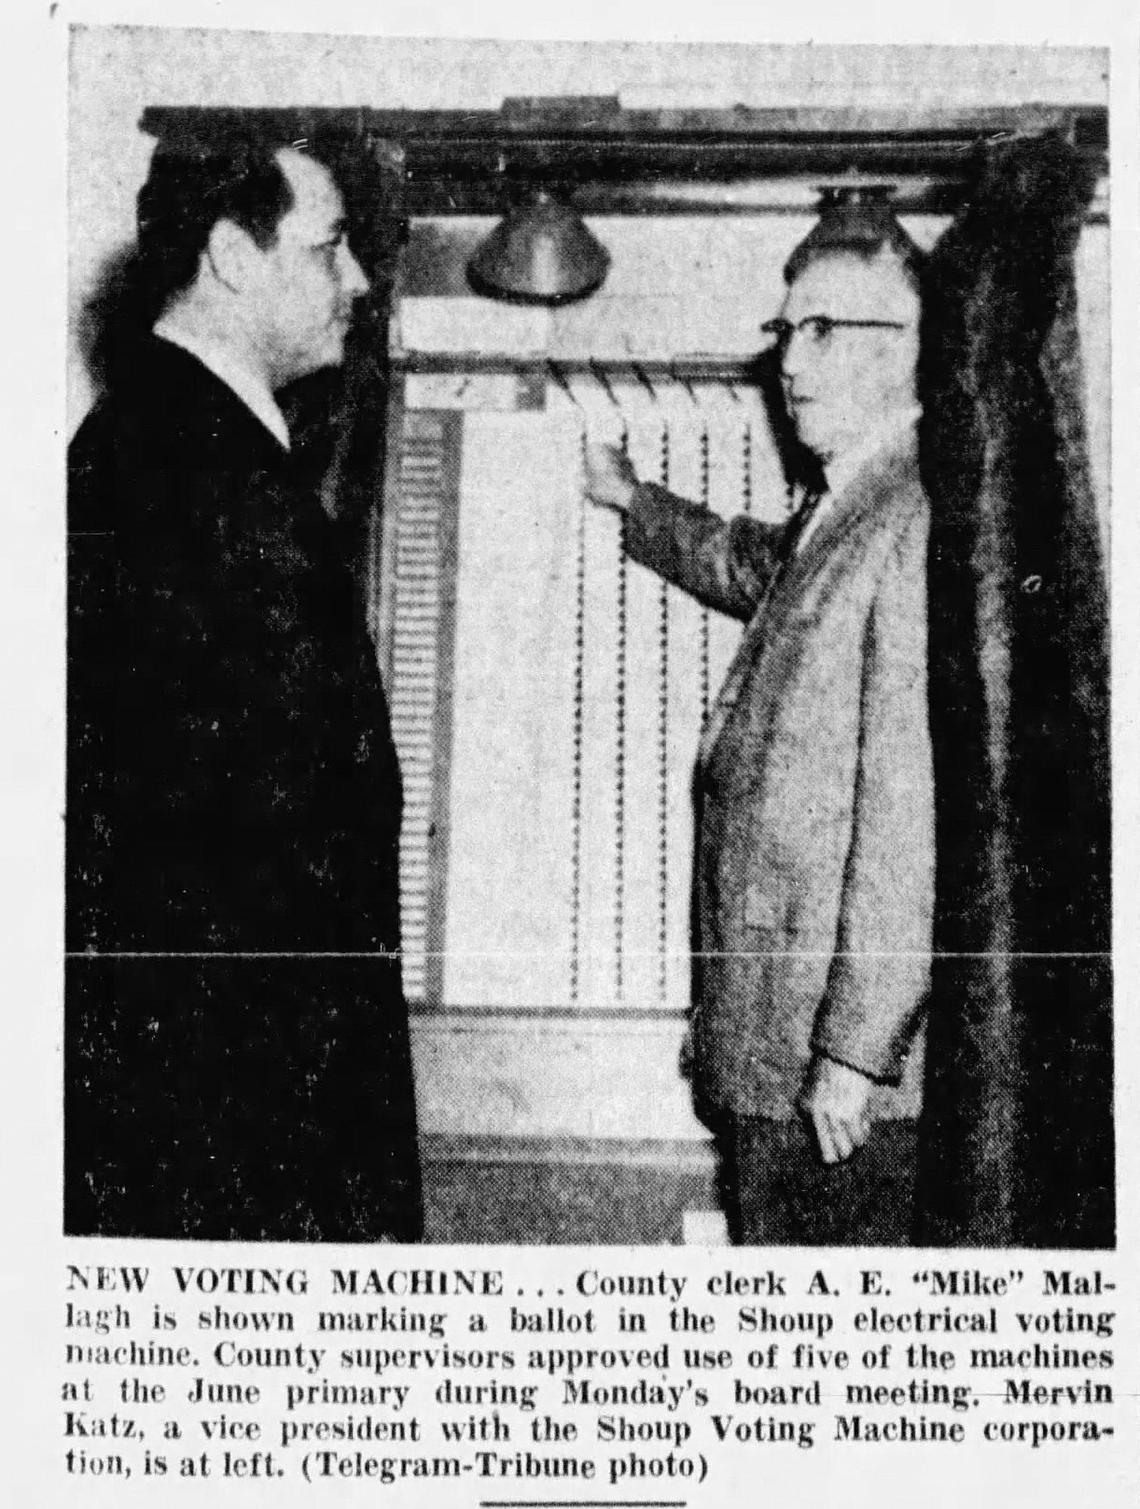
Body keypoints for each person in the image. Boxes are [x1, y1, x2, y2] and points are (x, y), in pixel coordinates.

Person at [66, 137, 423, 1241]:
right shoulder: (197, 475)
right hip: (238, 1136)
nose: (356, 280)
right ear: (230, 254)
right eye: (328, 250)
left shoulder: (165, 447)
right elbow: (233, 879)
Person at [585, 244, 933, 1245]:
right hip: (776, 1052)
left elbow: (913, 814)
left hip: (831, 1084)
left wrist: (857, 1054)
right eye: (789, 332)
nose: (791, 359)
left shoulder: (913, 513)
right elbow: (744, 560)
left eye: (826, 331)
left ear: (914, 346)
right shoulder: (843, 509)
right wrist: (631, 500)